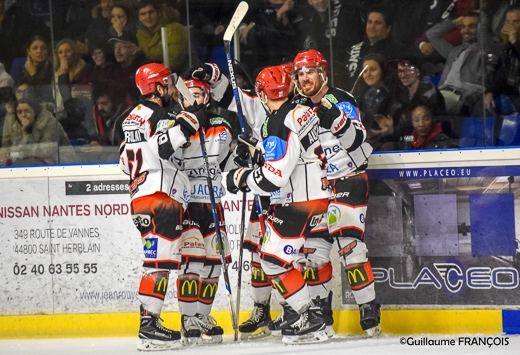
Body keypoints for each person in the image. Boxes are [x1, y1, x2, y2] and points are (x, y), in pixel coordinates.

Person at [226, 65, 331, 345]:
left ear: (262, 93)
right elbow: (294, 151)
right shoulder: (302, 109)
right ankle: (311, 316)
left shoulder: (277, 121)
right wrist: (257, 151)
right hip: (316, 196)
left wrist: (241, 178)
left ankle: (311, 318)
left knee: (272, 261)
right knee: (283, 259)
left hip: (299, 200)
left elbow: (275, 177)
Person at [289, 49, 381, 337]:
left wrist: (337, 121)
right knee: (312, 257)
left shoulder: (342, 100)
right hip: (316, 188)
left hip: (347, 179)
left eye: (310, 71)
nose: (305, 78)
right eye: (300, 73)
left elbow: (359, 144)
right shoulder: (297, 108)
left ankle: (368, 308)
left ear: (323, 73)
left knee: (350, 249)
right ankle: (320, 314)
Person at [118, 62, 204, 351]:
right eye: (166, 83)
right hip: (162, 197)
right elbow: (166, 146)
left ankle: (148, 322)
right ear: (157, 87)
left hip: (139, 198)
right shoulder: (161, 115)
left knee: (156, 261)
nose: (169, 87)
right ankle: (148, 326)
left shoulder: (130, 118)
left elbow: (122, 161)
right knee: (159, 264)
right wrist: (190, 119)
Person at [174, 78, 233, 345]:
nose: (192, 99)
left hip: (213, 205)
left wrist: (245, 156)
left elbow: (230, 162)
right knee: (193, 261)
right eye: (187, 95)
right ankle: (187, 319)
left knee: (213, 265)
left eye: (197, 94)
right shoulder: (176, 129)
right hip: (187, 206)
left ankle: (201, 315)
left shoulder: (221, 128)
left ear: (206, 98)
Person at [426, 11, 496, 116]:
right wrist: (453, 23)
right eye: (463, 27)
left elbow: (484, 36)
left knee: (427, 108)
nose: (466, 31)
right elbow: (431, 35)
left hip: (464, 96)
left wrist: (482, 13)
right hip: (443, 95)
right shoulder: (453, 51)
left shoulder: (485, 50)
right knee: (418, 104)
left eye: (472, 26)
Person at [345, 7, 422, 91]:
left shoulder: (397, 50)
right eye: (370, 22)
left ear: (388, 28)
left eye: (377, 23)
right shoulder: (356, 48)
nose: (372, 26)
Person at [302, 0, 364, 89]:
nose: (321, 1)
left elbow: (350, 44)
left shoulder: (345, 11)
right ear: (310, 1)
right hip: (329, 71)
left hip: (347, 67)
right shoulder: (313, 19)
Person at [0, 95, 73, 165]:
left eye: (27, 111)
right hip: (31, 165)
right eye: (19, 112)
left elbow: (44, 153)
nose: (23, 115)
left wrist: (26, 134)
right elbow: (15, 152)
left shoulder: (50, 123)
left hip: (61, 165)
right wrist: (8, 155)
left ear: (35, 112)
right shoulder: (17, 126)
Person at [355, 53, 407, 151]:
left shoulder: (398, 93)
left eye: (373, 69)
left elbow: (406, 127)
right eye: (365, 71)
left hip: (391, 144)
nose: (368, 74)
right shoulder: (361, 95)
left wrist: (392, 129)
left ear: (383, 70)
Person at [53, 38, 93, 142]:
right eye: (60, 52)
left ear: (75, 53)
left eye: (68, 51)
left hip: (82, 120)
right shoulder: (55, 76)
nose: (64, 55)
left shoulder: (86, 71)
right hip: (63, 119)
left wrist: (64, 75)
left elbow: (70, 101)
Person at [135, 1, 190, 73]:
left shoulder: (174, 29)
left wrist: (154, 73)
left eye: (151, 12)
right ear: (139, 18)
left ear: (159, 13)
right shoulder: (141, 33)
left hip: (179, 75)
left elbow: (175, 60)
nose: (147, 17)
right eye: (143, 14)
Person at [485, 5, 520, 115]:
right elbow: (502, 73)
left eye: (516, 22)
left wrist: (515, 42)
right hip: (513, 94)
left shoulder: (515, 43)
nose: (511, 26)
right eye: (508, 22)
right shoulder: (510, 47)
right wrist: (490, 91)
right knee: (483, 105)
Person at [13, 35, 54, 104]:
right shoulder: (23, 70)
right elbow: (16, 93)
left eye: (43, 48)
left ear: (47, 50)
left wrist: (33, 74)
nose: (39, 51)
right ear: (28, 51)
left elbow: (45, 97)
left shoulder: (52, 69)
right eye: (35, 48)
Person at [109, 32, 148, 104]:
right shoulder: (113, 69)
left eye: (122, 47)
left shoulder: (144, 71)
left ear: (134, 50)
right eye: (115, 47)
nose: (117, 51)